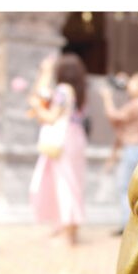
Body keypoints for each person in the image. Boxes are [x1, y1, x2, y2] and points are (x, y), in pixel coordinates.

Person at [29, 52, 90, 246]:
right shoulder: (80, 91)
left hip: (64, 141)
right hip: (76, 137)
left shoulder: (63, 90)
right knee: (74, 183)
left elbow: (52, 117)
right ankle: (71, 231)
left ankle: (68, 236)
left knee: (65, 184)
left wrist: (36, 108)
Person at [106, 72, 138, 234]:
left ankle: (127, 225)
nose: (129, 85)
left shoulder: (136, 104)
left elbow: (115, 117)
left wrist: (107, 98)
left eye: (133, 83)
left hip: (131, 150)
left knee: (125, 187)